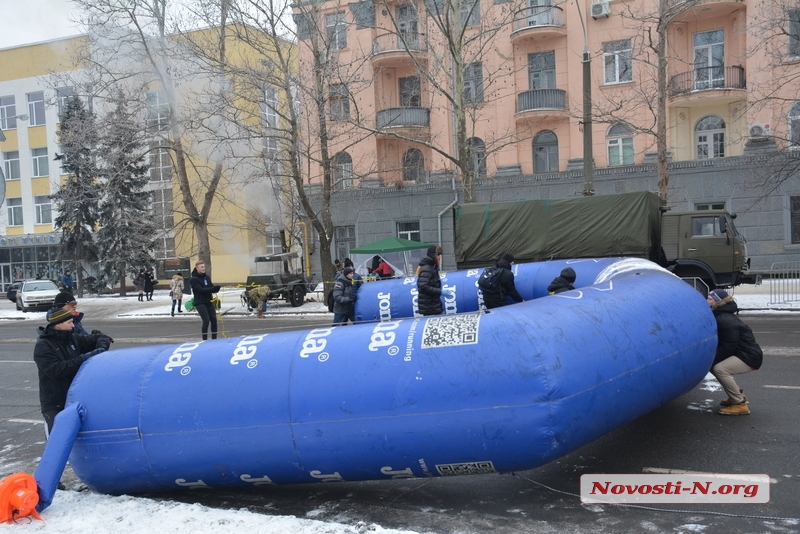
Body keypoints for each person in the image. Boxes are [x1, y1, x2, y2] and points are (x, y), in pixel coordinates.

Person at [33, 308, 113, 436]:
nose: (73, 325)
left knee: (80, 440)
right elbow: (55, 370)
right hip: (56, 404)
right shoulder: (43, 346)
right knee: (58, 440)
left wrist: (102, 346)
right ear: (58, 324)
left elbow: (99, 338)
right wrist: (83, 358)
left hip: (76, 398)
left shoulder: (73, 338)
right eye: (70, 322)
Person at [707, 288, 763, 415]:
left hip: (749, 356)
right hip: (741, 352)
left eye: (710, 299)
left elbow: (729, 345)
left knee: (720, 369)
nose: (706, 301)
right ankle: (736, 395)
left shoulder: (725, 320)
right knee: (714, 367)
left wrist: (712, 358)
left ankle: (739, 403)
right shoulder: (721, 315)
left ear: (718, 302)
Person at [416, 245, 452, 316]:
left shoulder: (432, 267)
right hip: (430, 307)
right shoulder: (428, 268)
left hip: (432, 306)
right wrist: (440, 291)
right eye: (438, 255)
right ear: (433, 255)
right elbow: (422, 286)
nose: (439, 257)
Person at [190, 261, 221, 340]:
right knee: (206, 320)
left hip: (208, 301)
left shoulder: (206, 277)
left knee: (214, 320)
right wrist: (212, 289)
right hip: (200, 302)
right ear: (197, 268)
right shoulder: (193, 279)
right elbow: (200, 290)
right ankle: (205, 339)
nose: (203, 268)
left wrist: (216, 289)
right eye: (201, 267)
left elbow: (211, 288)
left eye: (204, 267)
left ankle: (214, 338)